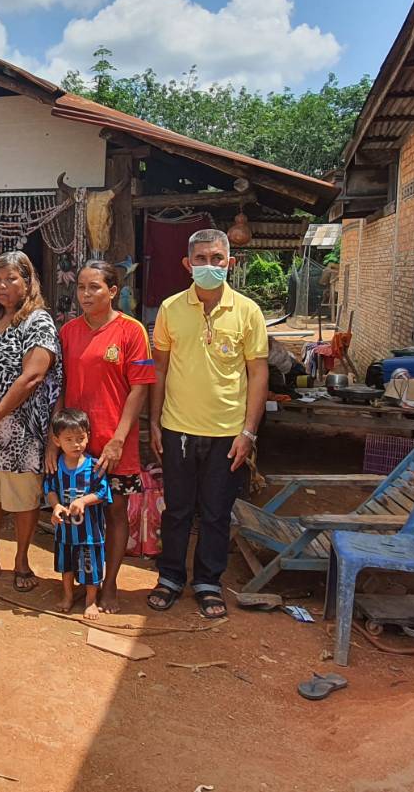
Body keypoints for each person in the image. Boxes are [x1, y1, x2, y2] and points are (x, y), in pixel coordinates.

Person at [147, 228, 268, 620]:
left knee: (216, 511)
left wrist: (249, 432)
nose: (209, 266)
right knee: (177, 509)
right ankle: (169, 578)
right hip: (178, 428)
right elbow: (160, 369)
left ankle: (208, 582)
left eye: (217, 259)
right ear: (188, 264)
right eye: (200, 259)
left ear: (230, 262)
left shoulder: (248, 311)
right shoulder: (170, 309)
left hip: (228, 433)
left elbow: (258, 374)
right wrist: (154, 420)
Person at [55, 260, 156, 611]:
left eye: (94, 287)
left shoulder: (132, 331)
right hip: (76, 444)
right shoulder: (68, 332)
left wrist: (118, 438)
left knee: (115, 513)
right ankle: (84, 581)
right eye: (81, 286)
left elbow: (139, 388)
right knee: (78, 511)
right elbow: (62, 386)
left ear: (112, 291)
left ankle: (109, 583)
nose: (85, 293)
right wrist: (56, 436)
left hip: (117, 442)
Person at [0, 251, 61, 593]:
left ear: (28, 282)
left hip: (21, 430)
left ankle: (21, 561)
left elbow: (32, 377)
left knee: (22, 499)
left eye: (11, 279)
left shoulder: (38, 321)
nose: (3, 286)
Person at [45, 408, 114, 619]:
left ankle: (90, 601)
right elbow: (50, 489)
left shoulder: (94, 466)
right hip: (65, 534)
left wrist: (84, 501)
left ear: (88, 437)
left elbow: (103, 492)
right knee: (66, 567)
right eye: (69, 439)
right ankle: (67, 595)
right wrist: (56, 506)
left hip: (90, 534)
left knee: (90, 567)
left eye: (80, 438)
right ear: (57, 441)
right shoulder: (56, 466)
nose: (76, 444)